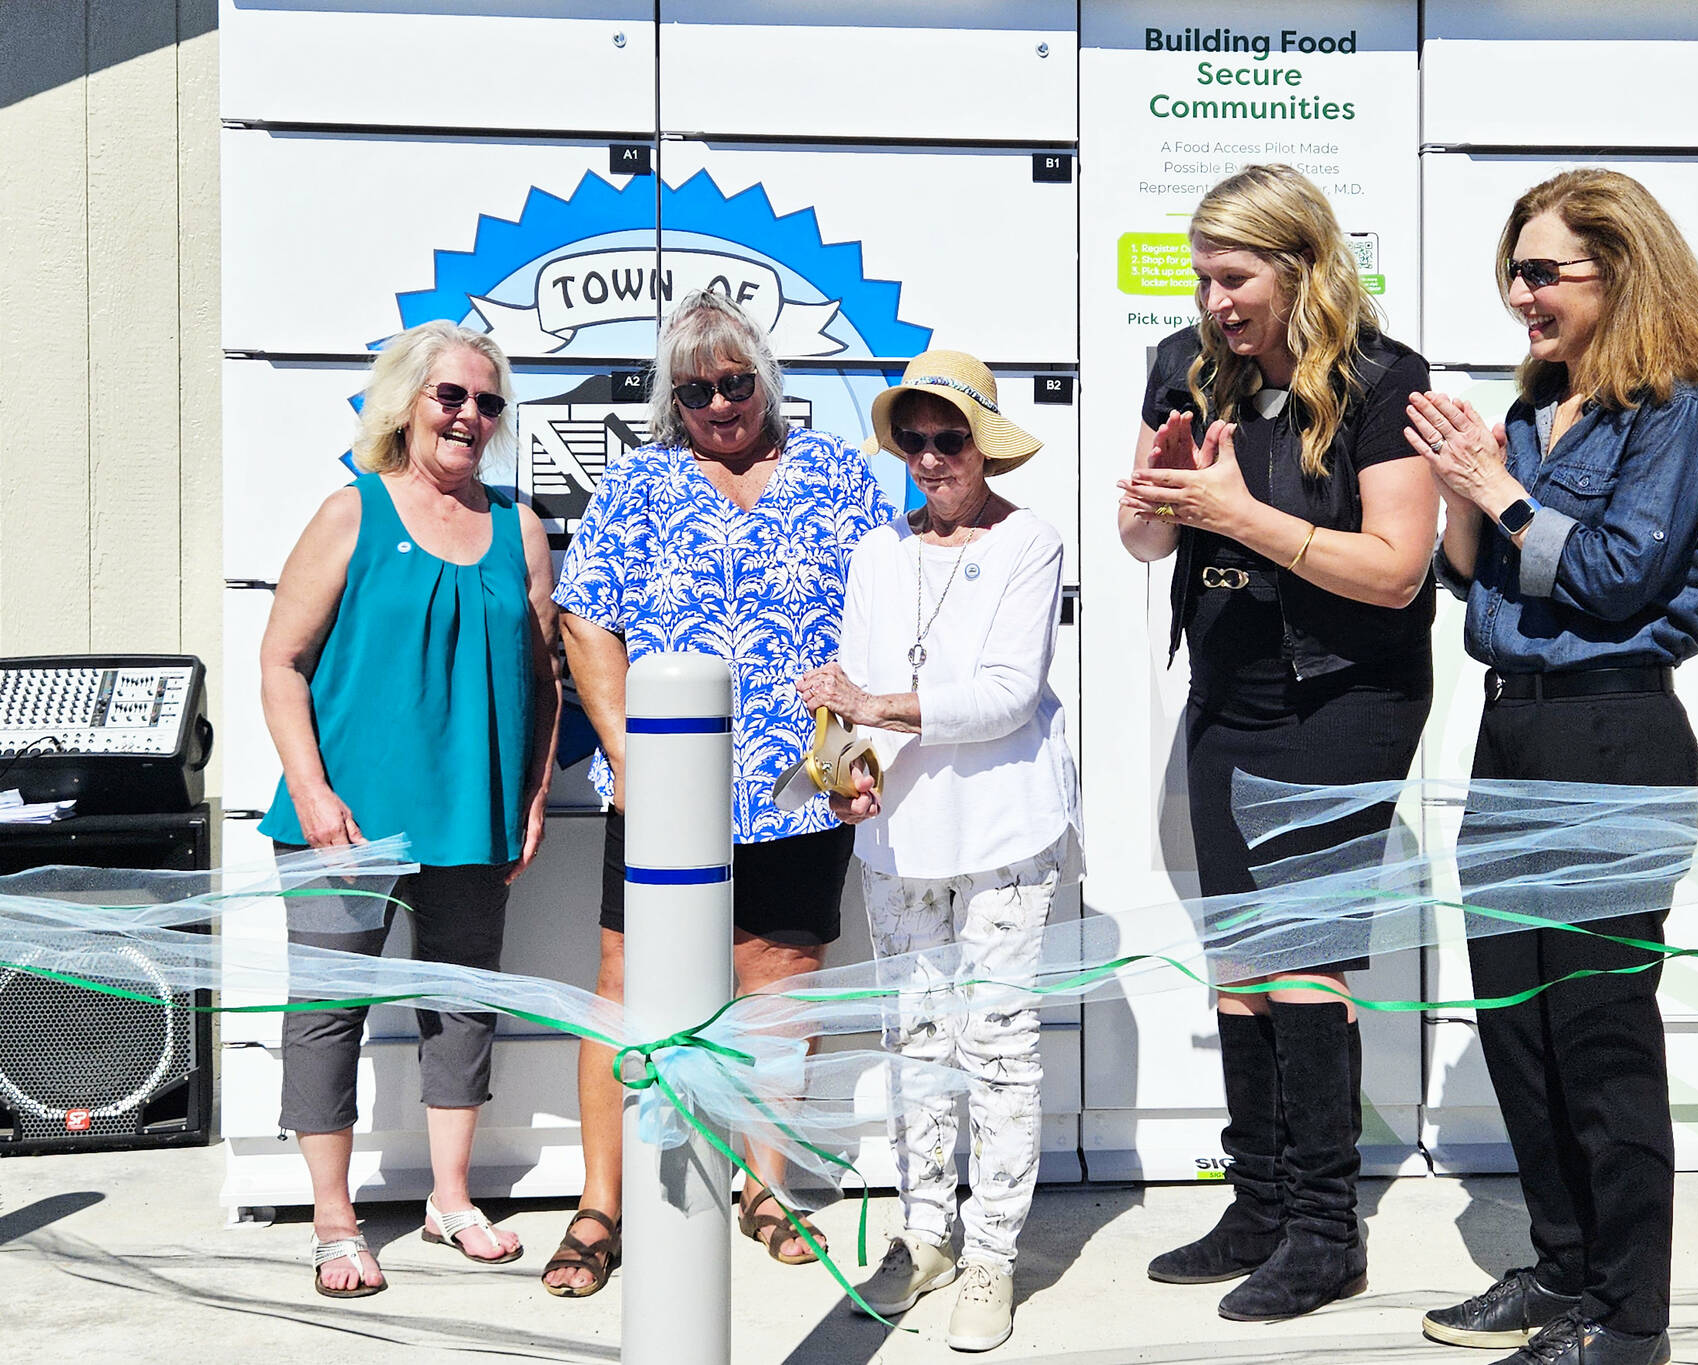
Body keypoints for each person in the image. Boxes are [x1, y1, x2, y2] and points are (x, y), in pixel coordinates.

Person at [1404, 168, 1698, 1365]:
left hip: (1612, 738)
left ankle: (1629, 1316)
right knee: (1517, 1021)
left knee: (1600, 1033)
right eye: (1512, 270)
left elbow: (1614, 579)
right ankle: (1561, 1268)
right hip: (1510, 729)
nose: (1517, 294)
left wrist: (1496, 491)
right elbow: (1470, 580)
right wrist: (1463, 489)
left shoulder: (1671, 413)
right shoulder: (1530, 408)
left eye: (1540, 271)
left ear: (1621, 272)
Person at [1115, 164, 1438, 1324]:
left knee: (1304, 956)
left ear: (1298, 266)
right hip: (1227, 686)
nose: (1213, 300)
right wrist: (1158, 502)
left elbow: (1397, 570)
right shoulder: (1181, 367)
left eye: (1234, 276)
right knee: (1239, 958)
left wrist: (1241, 516)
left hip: (1343, 695)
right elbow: (1144, 540)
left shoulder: (1379, 381)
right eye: (1202, 277)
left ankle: (1322, 1228)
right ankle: (1254, 1201)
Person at [545, 290, 895, 1296]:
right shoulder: (637, 483)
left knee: (776, 981)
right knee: (624, 990)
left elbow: (881, 613)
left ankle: (766, 1186)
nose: (718, 404)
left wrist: (858, 744)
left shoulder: (835, 474)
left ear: (765, 381)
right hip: (660, 793)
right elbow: (584, 623)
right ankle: (599, 1205)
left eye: (735, 382)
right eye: (695, 389)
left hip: (797, 784)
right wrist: (628, 754)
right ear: (673, 397)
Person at [259, 319, 561, 1298]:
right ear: (405, 404)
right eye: (450, 396)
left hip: (470, 815)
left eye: (486, 402)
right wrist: (309, 789)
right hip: (340, 818)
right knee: (326, 1013)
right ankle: (334, 1217)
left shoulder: (518, 528)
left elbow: (544, 679)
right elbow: (279, 662)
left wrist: (530, 801)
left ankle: (448, 1199)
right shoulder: (352, 513)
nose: (469, 415)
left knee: (461, 1007)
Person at [795, 350, 1079, 1354]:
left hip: (1004, 827)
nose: (928, 458)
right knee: (914, 1042)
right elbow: (854, 684)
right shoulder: (878, 551)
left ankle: (993, 1252)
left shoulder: (1029, 541)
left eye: (946, 438)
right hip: (897, 837)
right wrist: (844, 767)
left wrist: (874, 707)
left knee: (996, 1049)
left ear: (983, 443)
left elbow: (1005, 694)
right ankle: (923, 1235)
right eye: (911, 440)